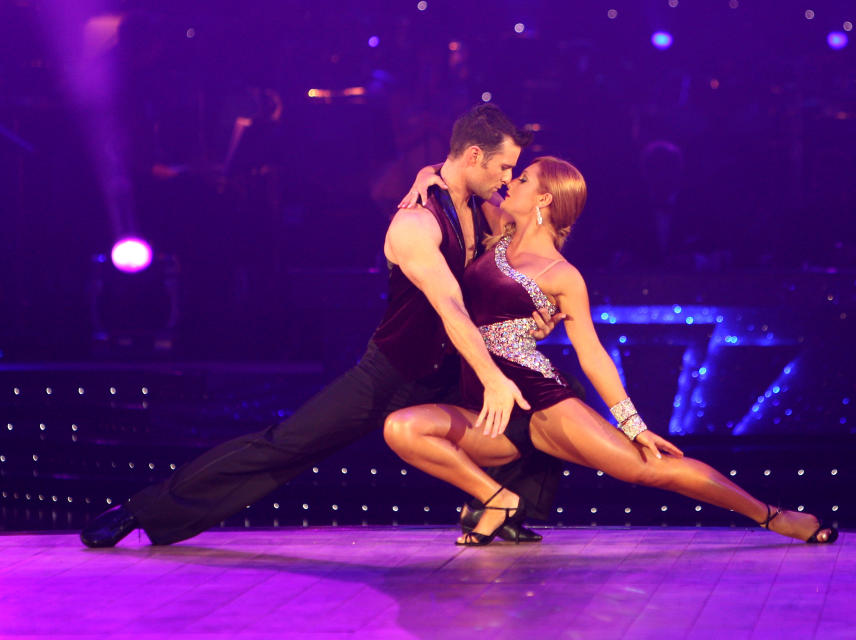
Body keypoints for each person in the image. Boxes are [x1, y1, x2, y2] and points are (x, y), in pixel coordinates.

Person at [80, 104, 563, 548]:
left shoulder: (481, 203)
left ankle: (503, 508)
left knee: (552, 401)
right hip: (391, 373)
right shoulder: (416, 222)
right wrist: (493, 377)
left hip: (450, 367)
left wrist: (536, 310)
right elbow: (451, 309)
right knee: (283, 447)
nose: (508, 177)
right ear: (475, 156)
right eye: (503, 167)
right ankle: (140, 512)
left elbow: (525, 251)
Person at [383, 156, 839, 546]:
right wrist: (427, 172)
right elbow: (462, 171)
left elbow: (592, 354)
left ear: (543, 200)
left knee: (649, 469)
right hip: (493, 410)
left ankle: (774, 516)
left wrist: (633, 424)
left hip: (544, 405)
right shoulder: (501, 228)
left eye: (522, 180)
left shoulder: (562, 275)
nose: (510, 181)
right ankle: (497, 498)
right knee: (401, 429)